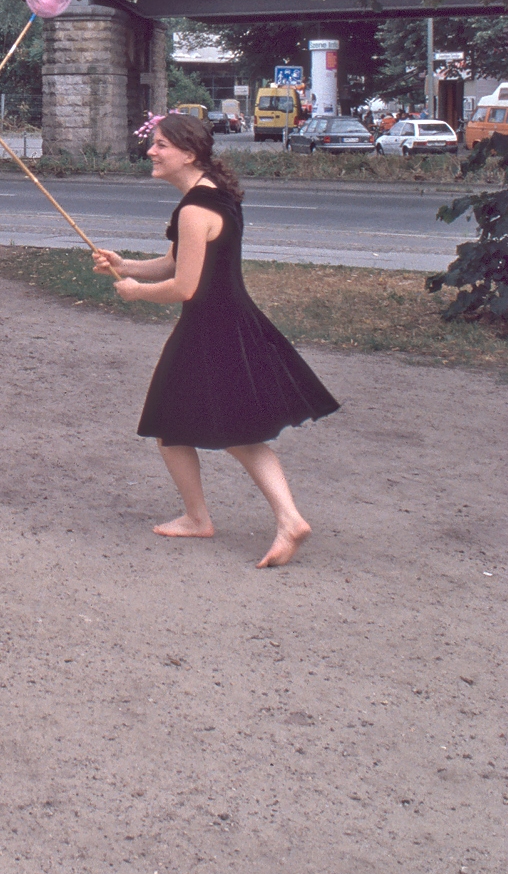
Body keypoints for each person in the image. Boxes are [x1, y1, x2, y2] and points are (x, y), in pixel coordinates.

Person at [92, 109, 336, 567]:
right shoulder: (213, 195)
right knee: (220, 427)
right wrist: (125, 265)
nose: (151, 151)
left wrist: (136, 293)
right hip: (232, 322)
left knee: (183, 423)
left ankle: (223, 518)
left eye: (161, 145)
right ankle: (234, 517)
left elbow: (184, 287)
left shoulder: (193, 209)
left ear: (188, 153)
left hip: (211, 330)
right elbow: (174, 263)